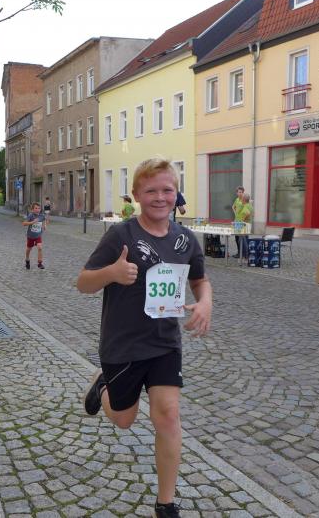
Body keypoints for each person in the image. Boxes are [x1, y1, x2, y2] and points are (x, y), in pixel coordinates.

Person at [78, 157, 212, 518]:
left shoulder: (184, 239)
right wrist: (111, 272)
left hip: (165, 342)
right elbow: (83, 283)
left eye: (167, 190)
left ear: (177, 193)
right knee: (124, 420)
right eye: (151, 190)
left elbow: (200, 280)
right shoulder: (120, 235)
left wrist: (205, 302)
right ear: (137, 194)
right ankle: (103, 385)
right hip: (123, 343)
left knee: (168, 415)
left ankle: (165, 503)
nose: (160, 197)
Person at [23, 202, 47, 270]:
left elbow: (44, 219)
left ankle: (40, 263)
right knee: (29, 249)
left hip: (38, 235)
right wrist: (32, 222)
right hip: (30, 236)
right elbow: (24, 223)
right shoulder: (31, 215)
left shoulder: (41, 216)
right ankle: (27, 260)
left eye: (39, 208)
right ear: (32, 209)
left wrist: (45, 225)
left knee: (40, 247)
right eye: (36, 208)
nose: (37, 210)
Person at [233, 193, 253, 257]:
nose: (241, 199)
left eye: (242, 198)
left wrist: (242, 221)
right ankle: (245, 255)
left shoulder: (246, 207)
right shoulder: (249, 206)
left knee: (242, 242)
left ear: (244, 199)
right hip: (247, 226)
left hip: (243, 227)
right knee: (243, 241)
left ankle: (246, 255)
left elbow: (247, 213)